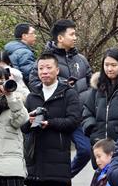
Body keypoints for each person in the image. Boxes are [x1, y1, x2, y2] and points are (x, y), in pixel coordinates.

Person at [29, 19, 93, 177]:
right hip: (53, 115)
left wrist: (85, 101)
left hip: (77, 116)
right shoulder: (45, 60)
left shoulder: (81, 60)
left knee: (85, 151)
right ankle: (56, 181)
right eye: (72, 34)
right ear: (60, 38)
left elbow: (92, 84)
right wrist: (62, 85)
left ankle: (65, 178)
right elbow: (34, 82)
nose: (75, 37)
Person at [22, 53, 82, 186]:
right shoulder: (32, 96)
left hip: (58, 156)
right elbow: (23, 127)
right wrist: (29, 120)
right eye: (41, 68)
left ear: (57, 70)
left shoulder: (68, 93)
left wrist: (50, 123)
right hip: (35, 157)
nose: (44, 72)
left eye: (48, 68)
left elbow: (74, 120)